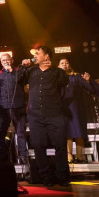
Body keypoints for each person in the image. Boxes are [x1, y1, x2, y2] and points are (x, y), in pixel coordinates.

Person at [19, 47, 71, 188]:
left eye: (38, 53)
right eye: (34, 54)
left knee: (59, 145)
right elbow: (18, 79)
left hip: (54, 114)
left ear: (46, 56)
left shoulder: (57, 72)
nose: (35, 56)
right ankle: (45, 176)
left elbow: (65, 81)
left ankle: (62, 176)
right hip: (36, 115)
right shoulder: (31, 71)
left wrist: (53, 67)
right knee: (38, 145)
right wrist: (22, 66)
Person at [0, 53, 28, 164]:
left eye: (7, 60)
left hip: (18, 106)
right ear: (0, 62)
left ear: (12, 60)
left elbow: (22, 80)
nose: (5, 61)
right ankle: (0, 157)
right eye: (3, 60)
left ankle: (23, 156)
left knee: (21, 132)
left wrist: (12, 71)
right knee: (0, 132)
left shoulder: (19, 71)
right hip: (3, 107)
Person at [58, 58, 99, 164]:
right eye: (62, 63)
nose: (65, 64)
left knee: (79, 131)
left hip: (77, 108)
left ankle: (80, 157)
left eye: (66, 62)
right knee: (68, 133)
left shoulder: (77, 76)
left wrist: (87, 81)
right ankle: (69, 156)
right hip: (65, 108)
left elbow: (91, 89)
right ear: (58, 66)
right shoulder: (57, 78)